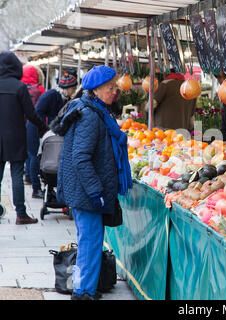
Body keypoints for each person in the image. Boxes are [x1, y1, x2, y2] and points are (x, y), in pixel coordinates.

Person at [56, 65, 132, 300]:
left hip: (86, 191)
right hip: (86, 193)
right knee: (89, 243)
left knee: (91, 240)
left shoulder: (97, 111)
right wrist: (95, 191)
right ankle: (83, 293)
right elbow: (81, 158)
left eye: (114, 86)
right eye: (110, 87)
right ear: (96, 90)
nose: (114, 91)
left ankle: (86, 287)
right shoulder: (90, 115)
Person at [0, 51, 49, 224]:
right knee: (16, 176)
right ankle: (21, 214)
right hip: (15, 138)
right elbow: (31, 114)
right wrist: (44, 128)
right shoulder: (19, 87)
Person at [26, 71, 77, 198]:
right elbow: (38, 113)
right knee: (34, 156)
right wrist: (44, 130)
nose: (74, 90)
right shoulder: (51, 95)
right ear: (67, 88)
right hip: (35, 128)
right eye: (73, 88)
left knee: (40, 156)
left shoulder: (64, 98)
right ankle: (36, 189)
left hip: (44, 129)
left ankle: (46, 188)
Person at [21, 64, 46, 185]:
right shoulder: (40, 89)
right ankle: (32, 178)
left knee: (26, 151)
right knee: (34, 152)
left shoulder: (20, 87)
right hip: (34, 124)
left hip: (20, 124)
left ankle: (27, 175)